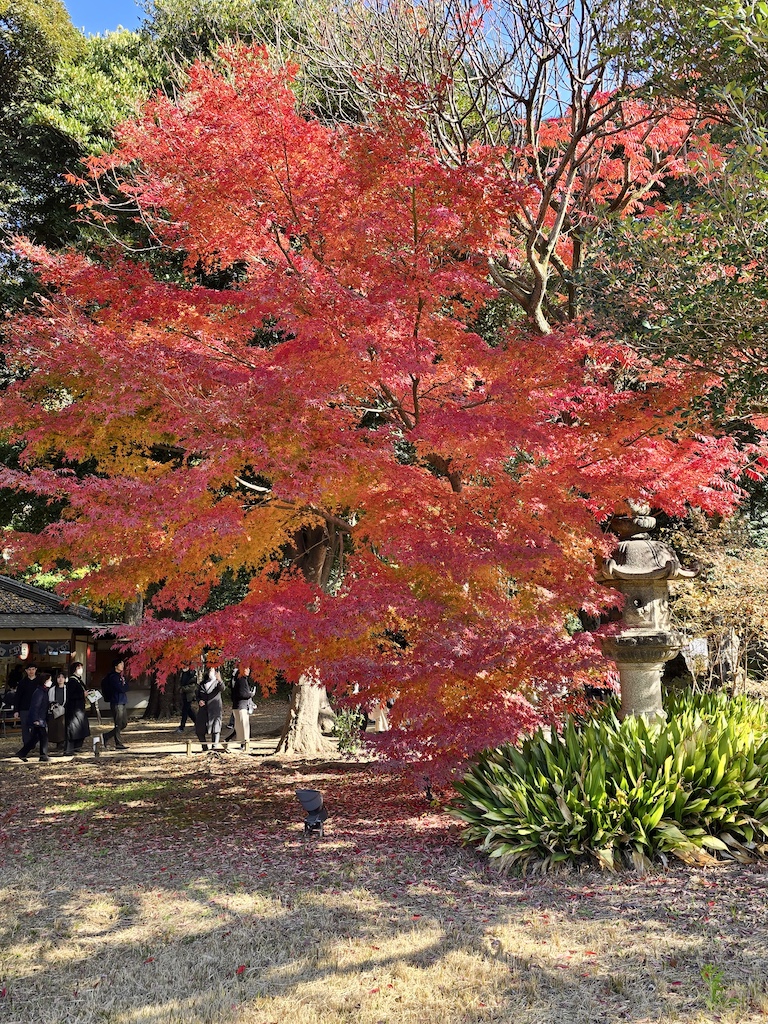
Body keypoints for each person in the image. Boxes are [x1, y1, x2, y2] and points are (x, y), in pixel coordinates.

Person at [14, 671, 53, 762]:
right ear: (45, 681)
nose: (51, 682)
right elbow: (35, 706)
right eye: (49, 680)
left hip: (41, 718)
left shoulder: (43, 691)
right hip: (39, 719)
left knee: (35, 738)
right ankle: (43, 755)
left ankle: (22, 753)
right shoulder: (39, 692)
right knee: (43, 737)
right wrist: (36, 719)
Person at [64, 662, 90, 755]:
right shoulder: (72, 681)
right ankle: (70, 749)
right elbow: (70, 695)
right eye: (79, 668)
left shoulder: (79, 680)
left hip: (80, 707)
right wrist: (82, 695)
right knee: (73, 728)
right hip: (73, 708)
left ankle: (77, 746)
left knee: (82, 727)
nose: (81, 670)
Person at [102, 659, 129, 750]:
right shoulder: (113, 677)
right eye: (120, 664)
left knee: (124, 723)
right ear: (116, 666)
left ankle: (107, 736)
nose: (122, 665)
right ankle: (118, 743)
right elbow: (120, 688)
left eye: (122, 664)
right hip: (116, 702)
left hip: (123, 701)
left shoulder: (121, 676)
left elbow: (126, 687)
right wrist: (124, 687)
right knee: (118, 723)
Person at [195, 666, 223, 751]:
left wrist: (220, 680)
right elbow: (197, 695)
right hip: (203, 709)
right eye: (209, 670)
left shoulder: (217, 683)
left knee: (216, 728)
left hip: (215, 709)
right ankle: (204, 747)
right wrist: (199, 701)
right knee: (200, 728)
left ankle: (214, 747)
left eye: (212, 670)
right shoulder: (202, 683)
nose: (211, 672)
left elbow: (222, 688)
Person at [231, 665, 256, 750]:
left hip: (237, 706)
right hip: (241, 706)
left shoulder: (237, 679)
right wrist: (251, 694)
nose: (248, 670)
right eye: (246, 669)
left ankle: (242, 745)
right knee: (244, 727)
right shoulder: (241, 680)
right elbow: (242, 694)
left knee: (239, 727)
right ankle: (245, 745)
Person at [13, 664, 37, 746]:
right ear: (26, 671)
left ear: (35, 670)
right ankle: (27, 744)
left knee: (35, 727)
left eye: (33, 669)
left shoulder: (39, 682)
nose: (31, 671)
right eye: (29, 669)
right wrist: (16, 710)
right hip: (24, 708)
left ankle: (33, 743)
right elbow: (18, 697)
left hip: (36, 708)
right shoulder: (22, 683)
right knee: (25, 727)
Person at [47, 669, 68, 750]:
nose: (60, 679)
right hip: (55, 710)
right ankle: (58, 743)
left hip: (64, 710)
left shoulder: (67, 688)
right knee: (55, 727)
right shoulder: (52, 689)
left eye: (62, 677)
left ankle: (63, 742)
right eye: (59, 677)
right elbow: (49, 699)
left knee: (63, 727)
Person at [176, 661, 198, 732]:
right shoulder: (183, 673)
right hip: (184, 695)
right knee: (188, 710)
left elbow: (192, 687)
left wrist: (183, 688)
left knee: (185, 710)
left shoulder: (192, 674)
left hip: (189, 695)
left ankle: (182, 726)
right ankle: (198, 723)